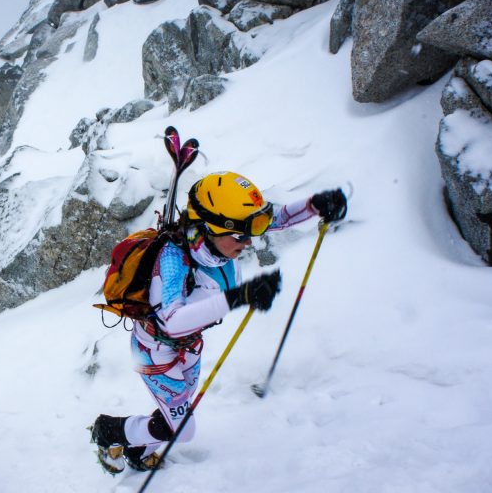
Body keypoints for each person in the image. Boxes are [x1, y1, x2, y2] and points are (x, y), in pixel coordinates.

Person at [91, 171, 347, 474]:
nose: (250, 242)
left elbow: (273, 219)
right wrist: (241, 296)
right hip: (155, 353)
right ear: (209, 228)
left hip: (189, 346)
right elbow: (172, 321)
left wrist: (315, 206)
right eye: (241, 235)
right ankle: (109, 431)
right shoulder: (173, 260)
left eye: (251, 231)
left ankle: (137, 452)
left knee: (178, 407)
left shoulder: (218, 243)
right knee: (183, 429)